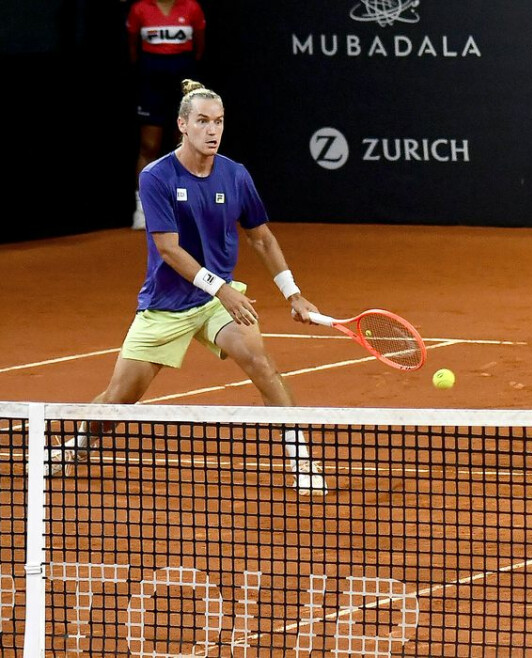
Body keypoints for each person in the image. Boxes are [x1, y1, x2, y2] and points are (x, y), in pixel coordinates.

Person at [49, 79, 329, 495]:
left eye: (218, 121)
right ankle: (80, 444)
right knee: (119, 399)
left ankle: (301, 459)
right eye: (202, 121)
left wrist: (293, 293)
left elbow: (262, 238)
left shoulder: (236, 175)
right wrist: (224, 290)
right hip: (167, 304)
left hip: (218, 301)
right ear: (182, 124)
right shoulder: (156, 176)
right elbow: (168, 249)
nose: (212, 130)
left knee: (262, 364)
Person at [127, 0, 206, 229]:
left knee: (184, 145)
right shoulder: (140, 9)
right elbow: (133, 49)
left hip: (183, 81)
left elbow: (199, 49)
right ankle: (143, 210)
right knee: (149, 146)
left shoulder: (191, 7)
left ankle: (185, 207)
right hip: (151, 83)